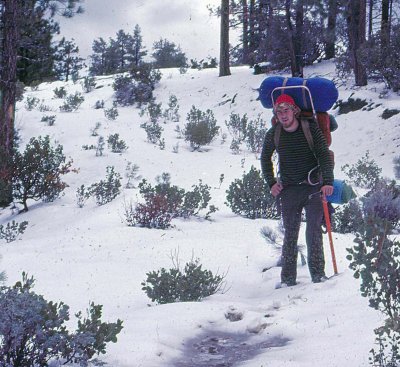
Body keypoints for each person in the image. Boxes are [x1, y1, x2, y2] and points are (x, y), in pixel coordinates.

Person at [260, 94, 334, 287]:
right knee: (291, 235)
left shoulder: (310, 128)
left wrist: (327, 181)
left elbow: (324, 156)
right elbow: (264, 158)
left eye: (286, 110)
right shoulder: (274, 133)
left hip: (313, 187)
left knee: (313, 232)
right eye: (279, 111)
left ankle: (318, 276)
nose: (283, 115)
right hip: (289, 190)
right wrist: (271, 183)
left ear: (294, 111)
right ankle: (287, 280)